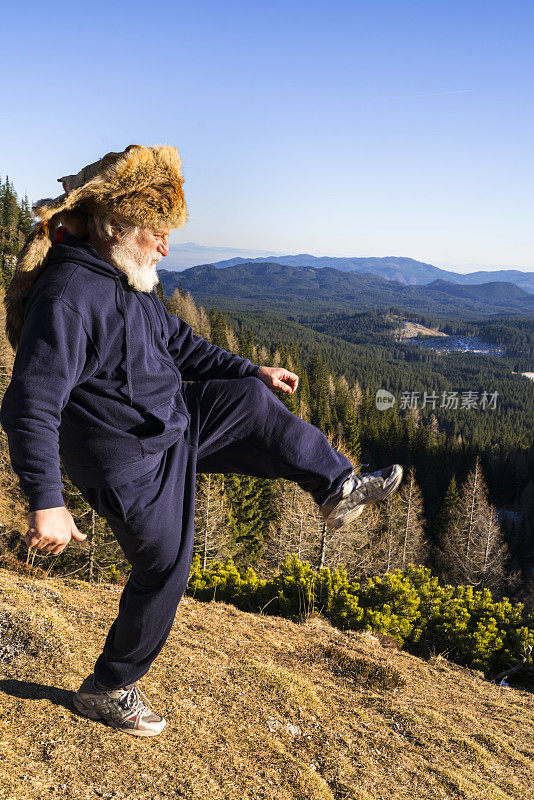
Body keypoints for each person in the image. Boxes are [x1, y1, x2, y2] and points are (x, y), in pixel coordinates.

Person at [0, 145, 403, 737]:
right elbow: (29, 403)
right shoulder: (69, 297)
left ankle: (335, 487)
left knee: (249, 400)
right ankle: (109, 687)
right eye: (157, 232)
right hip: (125, 458)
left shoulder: (128, 280)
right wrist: (46, 499)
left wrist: (250, 372)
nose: (165, 245)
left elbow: (181, 347)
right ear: (118, 228)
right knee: (167, 566)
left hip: (172, 421)